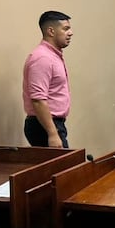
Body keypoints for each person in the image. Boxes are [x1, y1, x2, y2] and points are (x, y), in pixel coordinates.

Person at [22, 11, 73, 148]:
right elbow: (38, 99)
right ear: (51, 31)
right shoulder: (42, 58)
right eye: (65, 28)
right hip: (43, 126)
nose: (71, 33)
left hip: (52, 124)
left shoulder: (53, 56)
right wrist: (52, 134)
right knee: (62, 168)